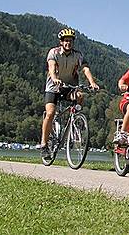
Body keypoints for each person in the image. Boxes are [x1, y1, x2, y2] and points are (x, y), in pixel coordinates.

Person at [41, 28, 100, 159]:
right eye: (66, 40)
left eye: (71, 41)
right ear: (61, 42)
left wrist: (92, 82)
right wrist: (55, 78)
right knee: (50, 113)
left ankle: (75, 122)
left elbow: (85, 68)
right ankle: (44, 145)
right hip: (53, 88)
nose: (68, 43)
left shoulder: (77, 55)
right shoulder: (54, 52)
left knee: (80, 96)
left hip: (70, 87)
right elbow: (51, 67)